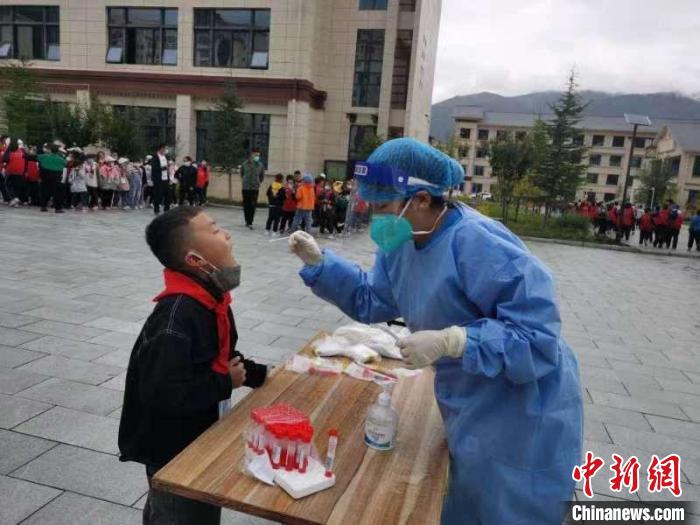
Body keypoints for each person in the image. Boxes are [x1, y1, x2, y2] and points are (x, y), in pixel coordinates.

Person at [288, 138, 582, 525]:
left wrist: (454, 340)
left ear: (422, 199)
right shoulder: (403, 241)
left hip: (521, 404)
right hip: (469, 393)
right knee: (464, 498)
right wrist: (321, 265)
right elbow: (374, 298)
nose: (375, 218)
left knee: (510, 506)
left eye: (382, 207)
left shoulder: (477, 242)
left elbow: (536, 338)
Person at [118, 206, 268, 525]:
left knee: (196, 512)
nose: (227, 235)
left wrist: (262, 375)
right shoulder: (176, 317)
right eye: (214, 230)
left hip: (198, 437)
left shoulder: (209, 300)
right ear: (195, 260)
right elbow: (163, 394)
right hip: (173, 452)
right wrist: (225, 382)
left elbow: (221, 356)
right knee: (179, 514)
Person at [38, 143, 67, 213]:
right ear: (58, 151)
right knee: (57, 192)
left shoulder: (44, 156)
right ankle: (58, 208)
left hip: (46, 174)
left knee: (45, 191)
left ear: (50, 150)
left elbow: (34, 157)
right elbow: (66, 164)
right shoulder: (61, 159)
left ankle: (43, 206)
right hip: (57, 175)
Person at [240, 150, 265, 229]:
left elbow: (262, 176)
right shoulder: (244, 164)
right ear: (252, 155)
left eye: (258, 155)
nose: (257, 157)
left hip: (255, 188)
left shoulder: (260, 165)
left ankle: (250, 222)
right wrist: (245, 181)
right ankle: (247, 221)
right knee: (246, 205)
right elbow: (242, 174)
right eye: (256, 155)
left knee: (253, 205)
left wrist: (257, 182)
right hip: (246, 187)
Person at [2, 138, 28, 207]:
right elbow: (27, 159)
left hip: (11, 171)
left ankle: (14, 198)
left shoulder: (9, 151)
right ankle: (16, 201)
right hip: (21, 171)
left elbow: (4, 159)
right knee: (17, 186)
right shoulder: (22, 151)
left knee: (8, 185)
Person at [150, 144, 171, 215]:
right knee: (158, 195)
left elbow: (168, 166)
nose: (165, 150)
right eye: (164, 149)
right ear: (161, 149)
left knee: (168, 194)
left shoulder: (166, 157)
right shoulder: (155, 157)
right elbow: (154, 168)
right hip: (158, 179)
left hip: (166, 178)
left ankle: (167, 209)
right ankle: (156, 209)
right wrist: (164, 168)